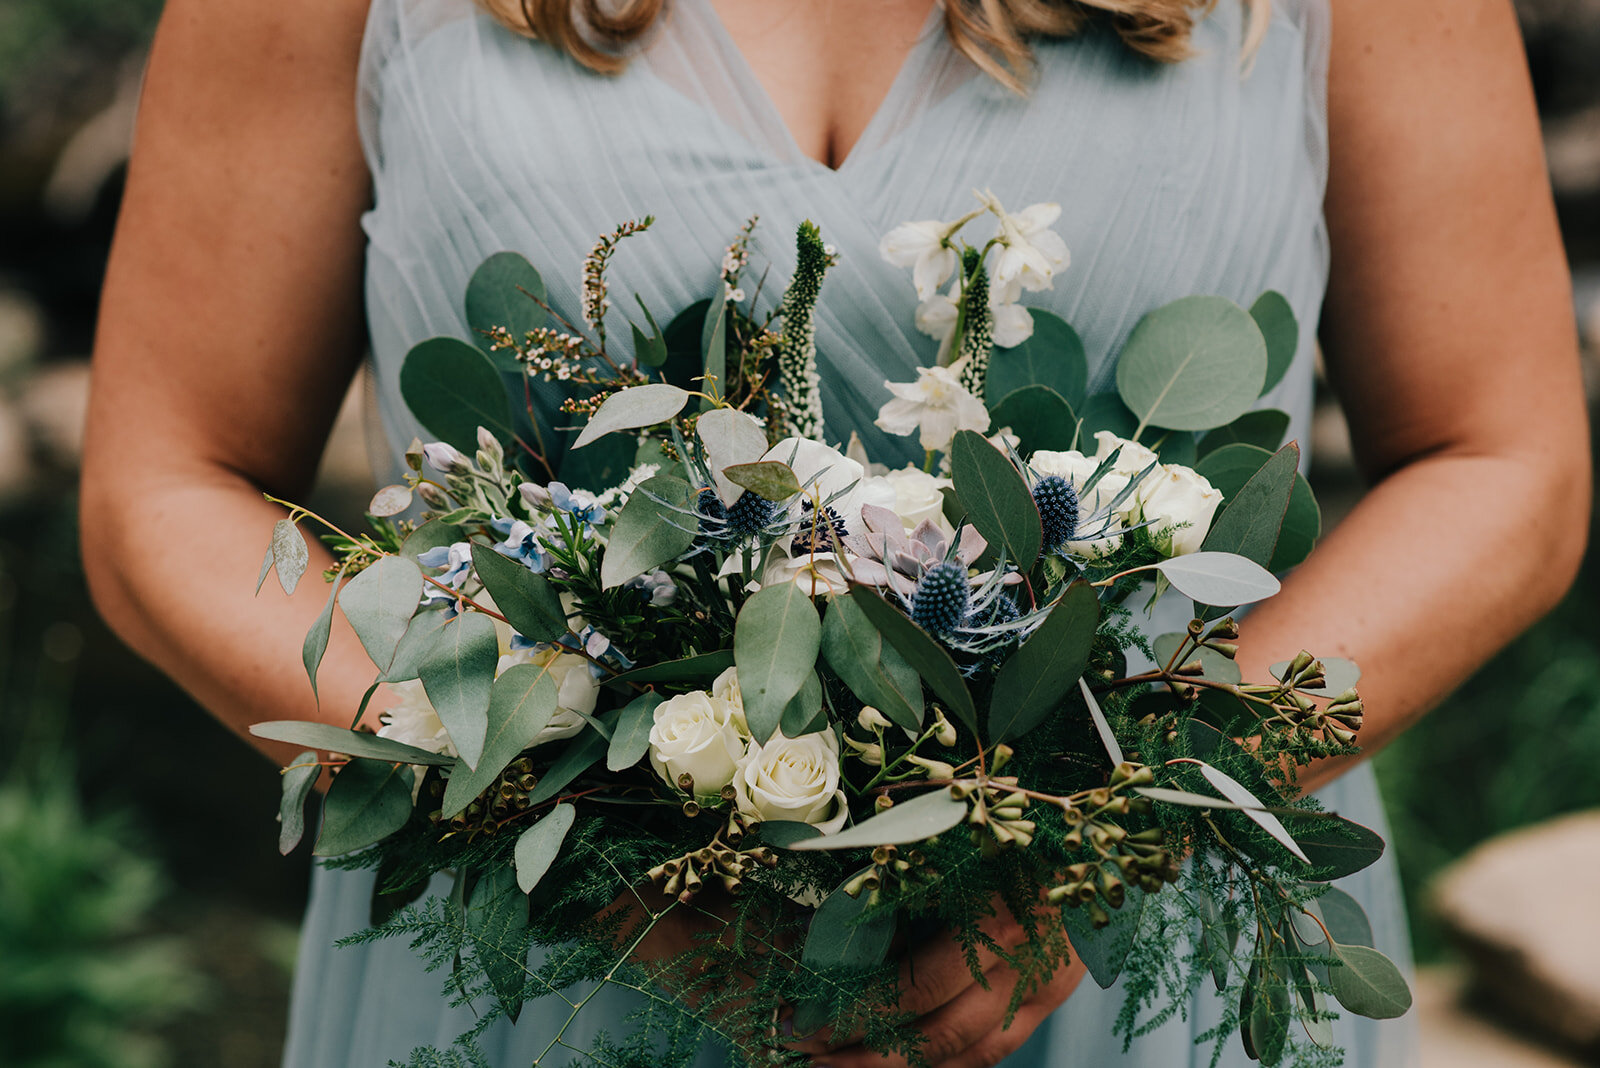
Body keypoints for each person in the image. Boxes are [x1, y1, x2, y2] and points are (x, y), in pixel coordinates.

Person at [80, 0, 1588, 1065]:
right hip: (544, 974)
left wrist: (1114, 832)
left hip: (1132, 973)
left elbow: (1502, 457)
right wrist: (536, 801)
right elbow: (169, 482)